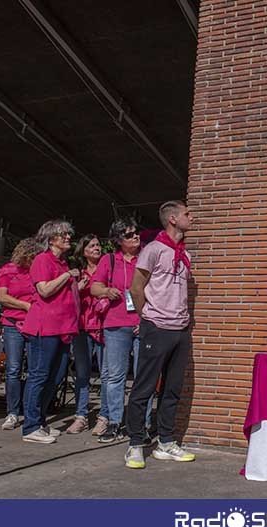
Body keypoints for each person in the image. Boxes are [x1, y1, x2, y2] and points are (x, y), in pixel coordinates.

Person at [124, 201, 195, 469]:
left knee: (172, 389)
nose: (192, 216)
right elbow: (136, 288)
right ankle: (135, 443)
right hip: (156, 326)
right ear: (173, 219)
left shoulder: (185, 253)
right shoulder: (153, 249)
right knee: (144, 387)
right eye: (187, 214)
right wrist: (146, 317)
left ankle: (165, 442)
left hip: (180, 329)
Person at [91, 217, 154, 443]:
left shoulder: (147, 257)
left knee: (143, 376)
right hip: (116, 324)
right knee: (115, 376)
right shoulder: (109, 260)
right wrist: (106, 291)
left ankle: (142, 425)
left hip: (143, 323)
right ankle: (114, 422)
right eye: (128, 234)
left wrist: (145, 318)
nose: (135, 236)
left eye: (136, 232)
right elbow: (94, 286)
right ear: (118, 240)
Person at [20, 220, 80, 444]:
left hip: (63, 327)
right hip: (45, 327)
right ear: (51, 238)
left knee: (54, 376)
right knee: (39, 375)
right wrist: (67, 276)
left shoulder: (63, 263)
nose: (67, 237)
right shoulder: (42, 260)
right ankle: (30, 426)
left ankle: (41, 421)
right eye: (63, 234)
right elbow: (44, 290)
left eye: (68, 234)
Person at [0, 238, 42, 430]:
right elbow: (1, 296)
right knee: (13, 368)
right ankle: (12, 412)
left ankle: (30, 409)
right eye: (33, 258)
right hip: (13, 323)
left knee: (34, 370)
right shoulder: (8, 270)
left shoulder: (37, 272)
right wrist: (25, 305)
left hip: (34, 323)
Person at [65, 234, 104, 434]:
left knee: (107, 374)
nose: (97, 248)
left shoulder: (107, 268)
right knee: (82, 374)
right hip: (81, 327)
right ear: (84, 251)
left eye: (98, 245)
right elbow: (66, 301)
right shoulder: (77, 273)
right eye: (92, 245)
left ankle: (104, 416)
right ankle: (81, 416)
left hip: (103, 326)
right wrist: (76, 290)